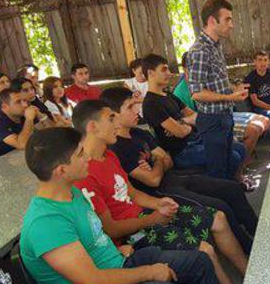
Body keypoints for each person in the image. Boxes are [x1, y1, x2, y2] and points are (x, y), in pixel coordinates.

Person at [71, 100, 246, 284]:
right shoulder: (84, 174)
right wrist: (152, 219)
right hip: (134, 232)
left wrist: (159, 204)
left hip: (145, 215)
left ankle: (250, 272)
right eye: (111, 118)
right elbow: (111, 229)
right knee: (205, 250)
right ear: (93, 127)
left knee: (219, 218)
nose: (116, 123)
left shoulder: (109, 156)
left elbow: (133, 193)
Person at [20, 127, 219, 284]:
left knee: (200, 262)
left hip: (118, 262)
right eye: (81, 154)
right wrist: (149, 272)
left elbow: (94, 235)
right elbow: (92, 280)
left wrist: (116, 250)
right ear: (61, 171)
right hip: (105, 278)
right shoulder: (46, 224)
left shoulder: (72, 192)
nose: (88, 157)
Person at [102, 87, 257, 253]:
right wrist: (158, 160)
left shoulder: (140, 134)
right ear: (113, 114)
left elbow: (167, 160)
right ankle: (249, 248)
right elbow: (153, 181)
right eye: (130, 107)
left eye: (135, 105)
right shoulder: (117, 147)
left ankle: (258, 232)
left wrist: (157, 164)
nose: (136, 110)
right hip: (160, 193)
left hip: (175, 177)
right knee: (221, 206)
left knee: (232, 188)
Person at [141, 54, 247, 182]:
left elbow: (197, 115)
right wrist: (186, 124)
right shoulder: (151, 104)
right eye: (164, 69)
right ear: (150, 73)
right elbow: (180, 132)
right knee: (232, 157)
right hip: (182, 152)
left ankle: (231, 183)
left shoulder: (168, 95)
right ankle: (223, 189)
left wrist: (182, 122)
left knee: (240, 148)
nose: (169, 73)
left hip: (197, 140)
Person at [185, 0, 251, 180]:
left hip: (225, 116)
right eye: (227, 19)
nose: (232, 25)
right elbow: (196, 93)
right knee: (218, 172)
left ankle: (233, 198)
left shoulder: (216, 46)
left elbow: (217, 83)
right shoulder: (199, 51)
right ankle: (224, 206)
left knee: (230, 164)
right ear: (212, 21)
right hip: (212, 121)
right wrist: (231, 97)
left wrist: (233, 89)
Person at [175, 52, 270, 177]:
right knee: (254, 130)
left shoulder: (206, 81)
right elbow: (187, 120)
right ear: (185, 69)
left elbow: (225, 92)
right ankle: (239, 173)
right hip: (210, 123)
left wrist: (234, 91)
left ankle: (242, 164)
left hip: (224, 113)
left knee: (265, 120)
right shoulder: (180, 93)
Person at [0, 88, 39, 165]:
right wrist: (29, 119)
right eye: (18, 102)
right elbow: (22, 144)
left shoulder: (21, 114)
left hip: (13, 159)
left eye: (24, 100)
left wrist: (41, 115)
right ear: (4, 106)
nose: (25, 105)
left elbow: (44, 131)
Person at [244, 50, 270, 139]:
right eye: (260, 60)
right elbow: (255, 101)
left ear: (268, 61)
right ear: (255, 62)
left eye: (265, 60)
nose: (263, 63)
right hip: (259, 108)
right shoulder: (250, 78)